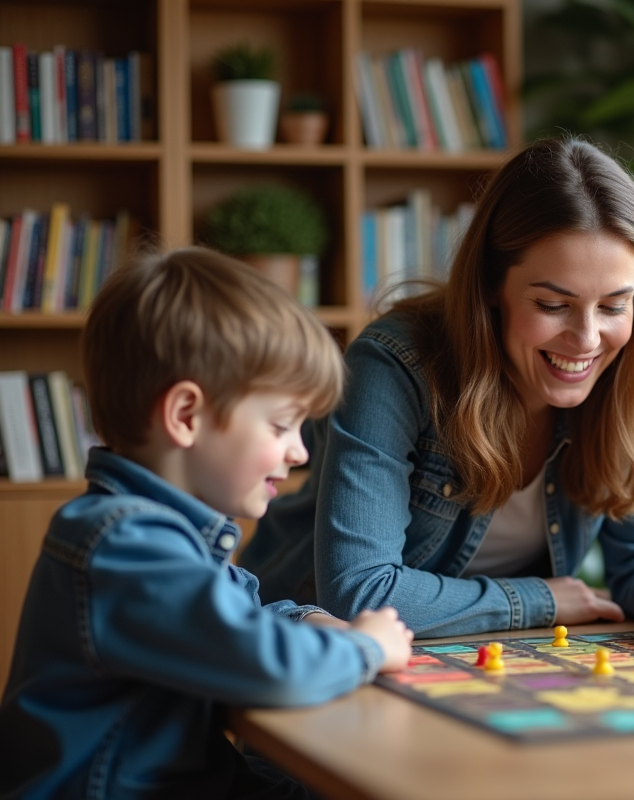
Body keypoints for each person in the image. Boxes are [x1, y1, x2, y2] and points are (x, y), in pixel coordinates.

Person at [240, 137, 634, 636]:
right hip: (305, 644)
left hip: (484, 656)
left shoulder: (621, 369)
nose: (588, 339)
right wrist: (537, 600)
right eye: (553, 305)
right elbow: (361, 592)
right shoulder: (393, 365)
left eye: (614, 305)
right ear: (491, 284)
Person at [0, 248, 414, 800]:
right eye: (281, 425)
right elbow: (262, 663)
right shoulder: (124, 544)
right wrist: (366, 647)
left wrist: (310, 619)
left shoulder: (167, 536)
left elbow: (234, 619)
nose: (298, 453)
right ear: (186, 416)